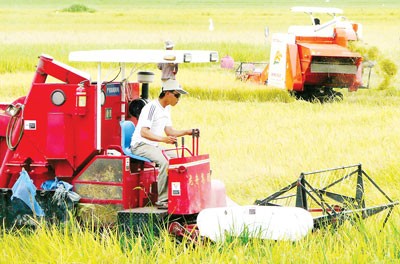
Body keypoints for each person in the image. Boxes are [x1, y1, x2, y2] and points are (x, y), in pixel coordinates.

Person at [130, 79, 194, 209]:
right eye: (177, 95)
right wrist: (163, 140)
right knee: (166, 162)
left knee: (178, 159)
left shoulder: (167, 109)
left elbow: (169, 131)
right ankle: (163, 200)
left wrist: (187, 132)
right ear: (167, 93)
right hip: (140, 145)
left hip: (153, 145)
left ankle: (178, 194)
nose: (178, 99)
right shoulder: (152, 108)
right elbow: (144, 132)